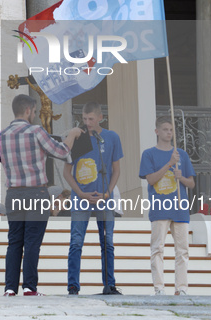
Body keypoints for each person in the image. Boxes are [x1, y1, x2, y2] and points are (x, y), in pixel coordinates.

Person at [0, 94, 83, 297]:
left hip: (13, 193)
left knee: (14, 241)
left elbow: (1, 160)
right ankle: (29, 287)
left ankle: (10, 288)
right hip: (36, 191)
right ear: (28, 110)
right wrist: (71, 134)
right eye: (34, 112)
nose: (35, 115)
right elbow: (61, 152)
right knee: (32, 241)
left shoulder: (1, 135)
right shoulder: (36, 131)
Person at [64, 102, 123, 296]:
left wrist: (108, 192)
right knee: (76, 241)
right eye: (84, 118)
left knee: (107, 242)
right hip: (81, 198)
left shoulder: (111, 137)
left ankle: (110, 285)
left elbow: (116, 170)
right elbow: (67, 172)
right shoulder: (78, 138)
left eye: (91, 119)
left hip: (104, 198)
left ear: (100, 117)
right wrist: (80, 193)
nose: (87, 122)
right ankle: (73, 286)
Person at [138, 116, 196, 296]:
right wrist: (169, 164)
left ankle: (181, 288)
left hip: (180, 207)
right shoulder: (149, 154)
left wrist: (181, 177)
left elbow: (191, 184)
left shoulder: (182, 155)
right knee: (158, 248)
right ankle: (159, 288)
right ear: (156, 131)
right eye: (165, 129)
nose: (169, 133)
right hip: (159, 207)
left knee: (182, 249)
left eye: (171, 130)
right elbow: (151, 180)